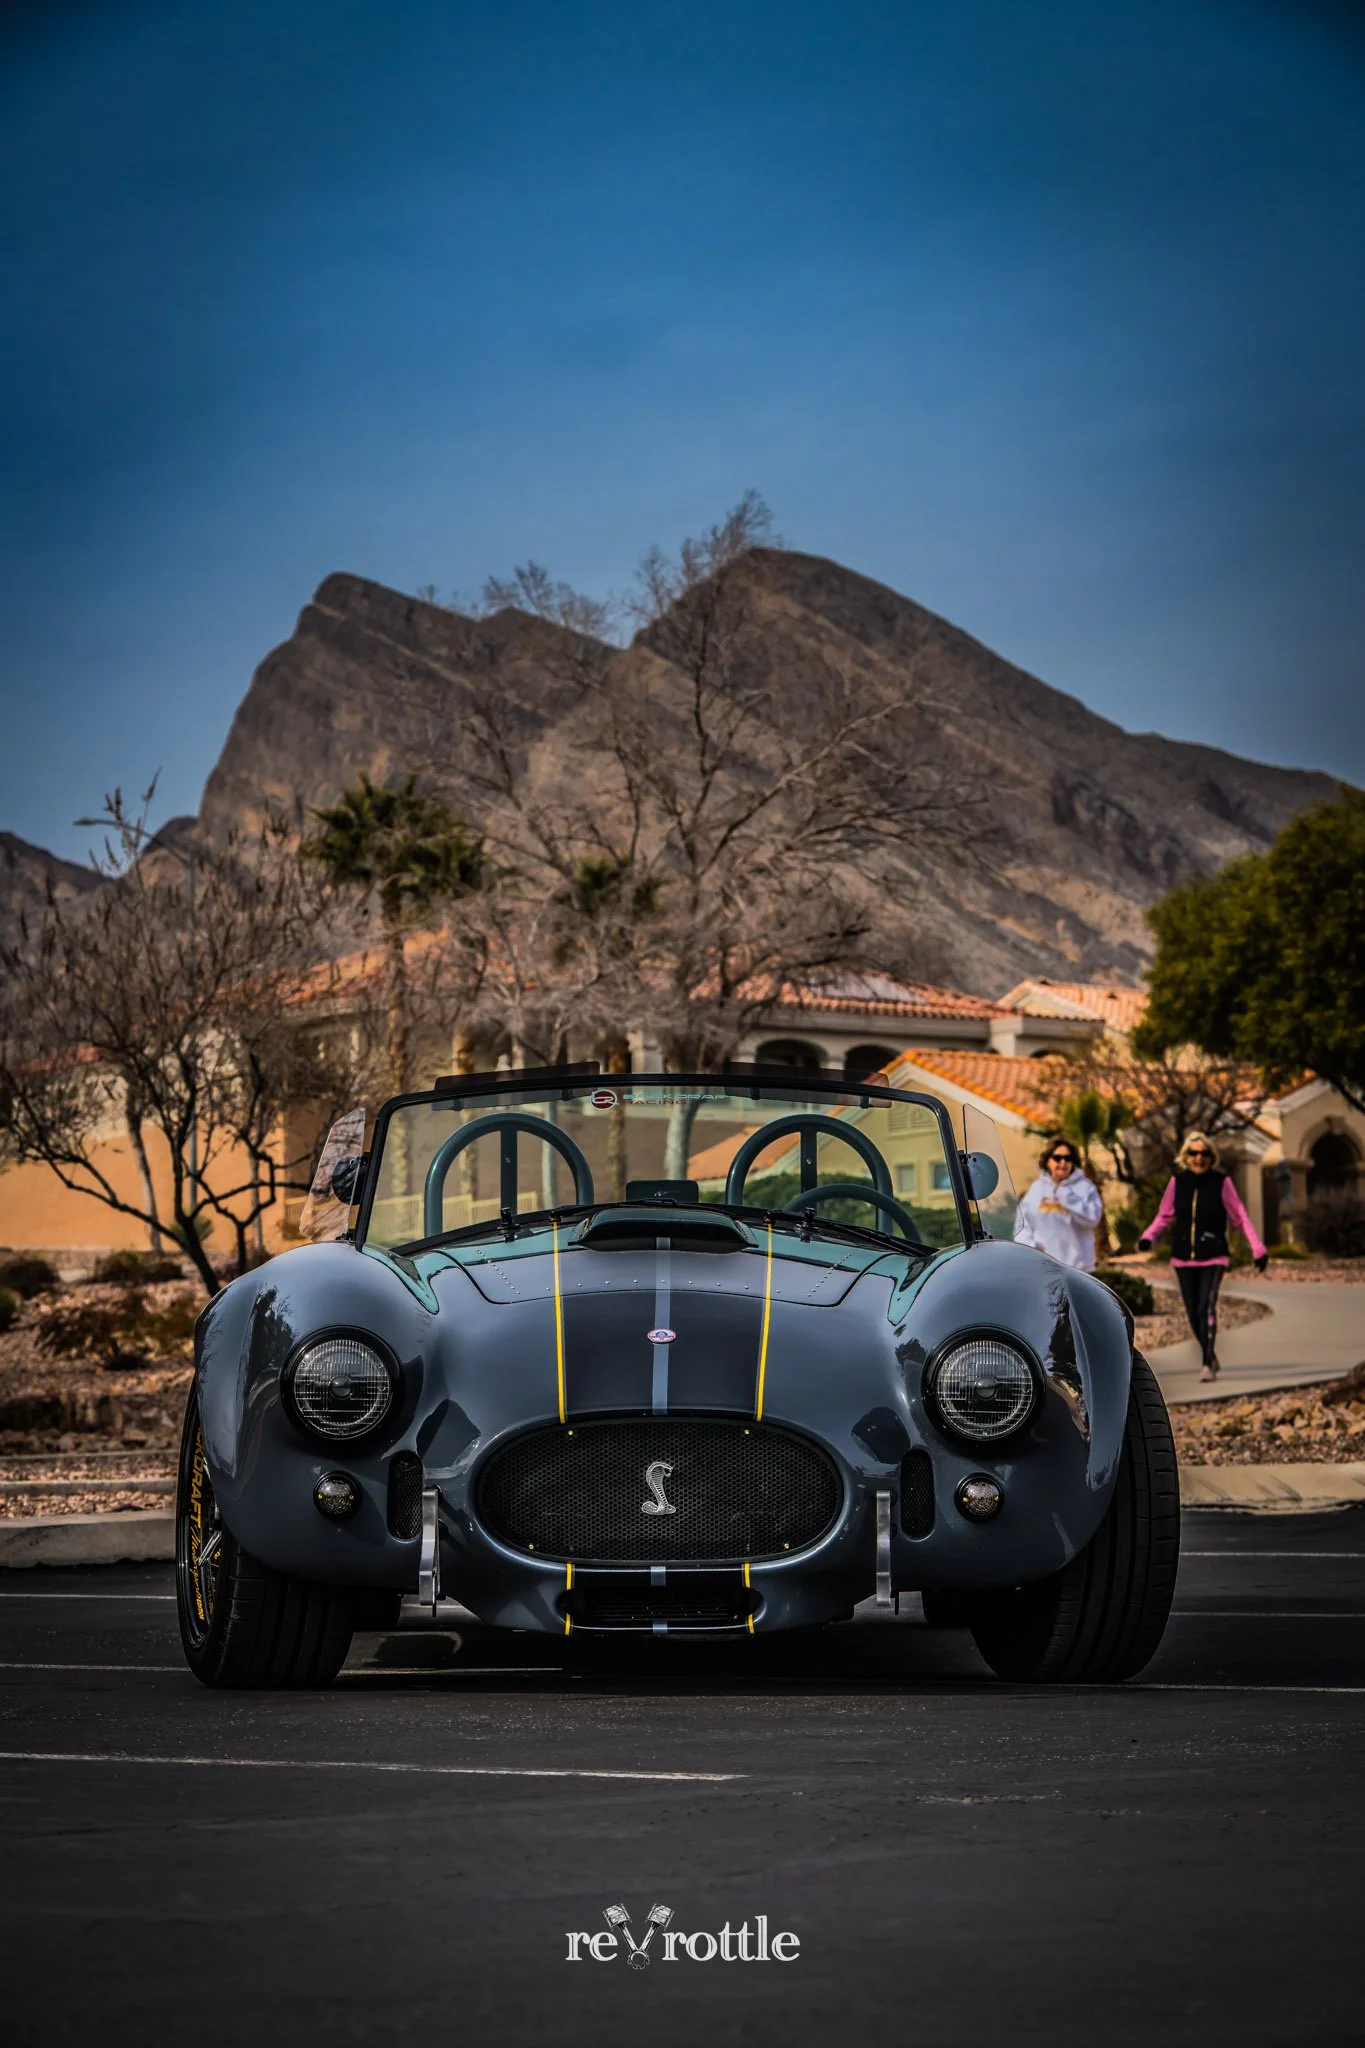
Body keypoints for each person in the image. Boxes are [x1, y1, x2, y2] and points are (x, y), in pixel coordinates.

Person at [1137, 1132, 1268, 1381]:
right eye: (1194, 1153)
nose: (1199, 1158)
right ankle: (1210, 1352)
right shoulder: (1178, 1182)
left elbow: (1239, 1215)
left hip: (1214, 1255)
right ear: (1186, 1157)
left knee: (1205, 1306)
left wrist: (1257, 1248)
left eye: (1204, 1153)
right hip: (1183, 1256)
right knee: (1192, 1312)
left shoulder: (1221, 1182)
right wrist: (1148, 1236)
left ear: (1211, 1157)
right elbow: (1164, 1214)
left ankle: (1207, 1362)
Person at [1013, 1137, 1105, 1271]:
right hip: (1044, 1268)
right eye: (1057, 1158)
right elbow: (1022, 1225)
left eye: (1068, 1159)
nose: (1063, 1162)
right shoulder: (1037, 1189)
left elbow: (1093, 1218)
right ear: (1048, 1161)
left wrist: (1068, 1197)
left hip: (1079, 1270)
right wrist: (1031, 1247)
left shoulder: (1085, 1187)